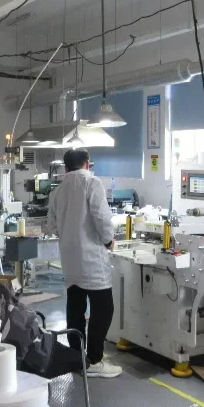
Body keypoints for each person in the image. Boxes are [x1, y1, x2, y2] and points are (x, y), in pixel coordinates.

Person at [47, 148, 122, 378]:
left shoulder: (57, 191)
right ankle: (95, 360)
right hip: (92, 259)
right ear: (87, 164)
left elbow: (52, 226)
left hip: (70, 260)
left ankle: (77, 357)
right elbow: (102, 218)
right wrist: (109, 241)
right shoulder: (92, 183)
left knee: (75, 307)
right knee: (103, 308)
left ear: (65, 167)